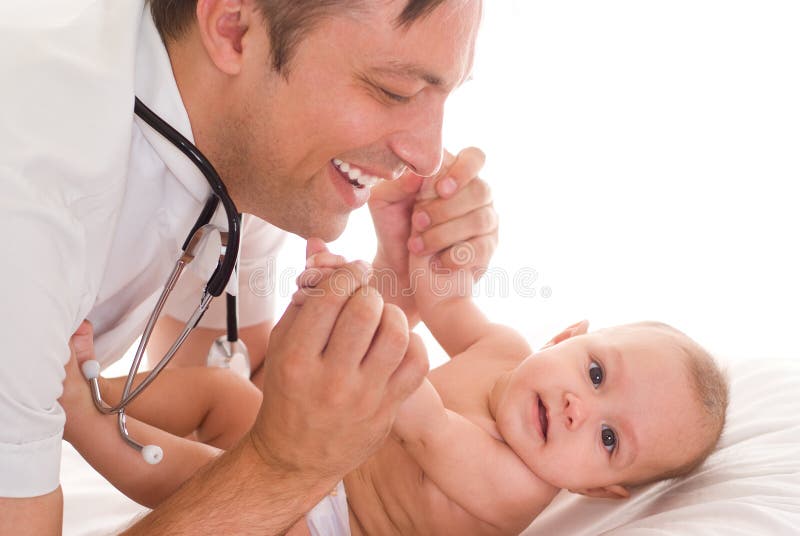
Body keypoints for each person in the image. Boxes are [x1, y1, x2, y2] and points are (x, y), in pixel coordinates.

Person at [0, 1, 497, 533]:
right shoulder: (28, 208)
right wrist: (287, 468)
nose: (427, 155)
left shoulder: (233, 145)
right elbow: (270, 451)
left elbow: (242, 396)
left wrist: (393, 289)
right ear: (233, 30)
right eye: (393, 90)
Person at [61, 219, 729, 535]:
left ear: (604, 491)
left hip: (325, 519)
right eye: (594, 373)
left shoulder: (518, 485)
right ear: (567, 337)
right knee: (223, 395)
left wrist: (354, 306)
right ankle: (101, 390)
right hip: (305, 446)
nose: (582, 408)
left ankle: (83, 424)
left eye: (610, 439)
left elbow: (420, 418)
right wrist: (425, 237)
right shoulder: (504, 347)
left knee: (205, 479)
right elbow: (439, 296)